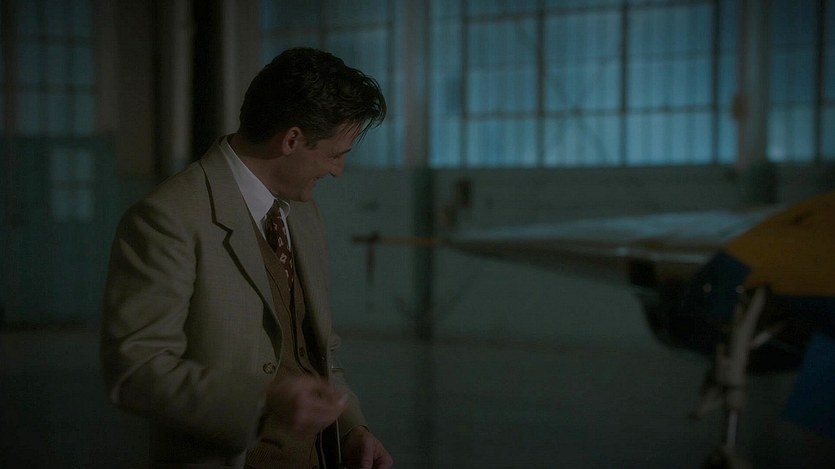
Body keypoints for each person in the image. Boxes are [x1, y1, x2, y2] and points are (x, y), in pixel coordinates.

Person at [101, 47, 393, 469]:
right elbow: (136, 370)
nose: (338, 170)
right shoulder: (168, 218)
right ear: (291, 140)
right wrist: (260, 400)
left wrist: (350, 429)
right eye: (336, 154)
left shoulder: (303, 214)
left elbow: (319, 349)